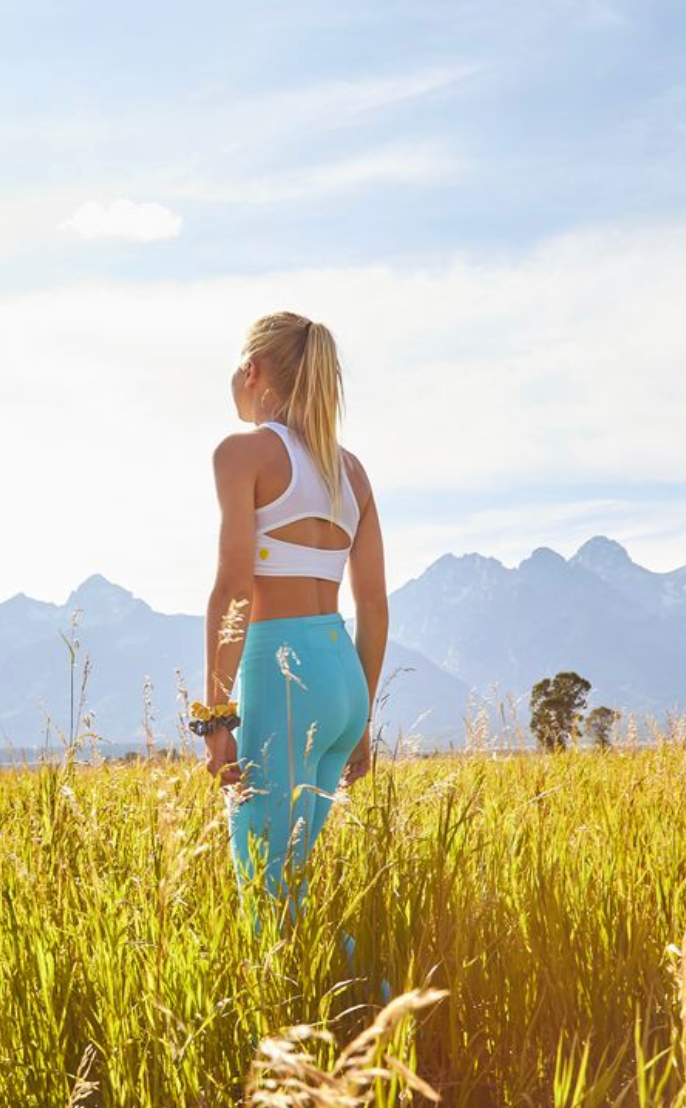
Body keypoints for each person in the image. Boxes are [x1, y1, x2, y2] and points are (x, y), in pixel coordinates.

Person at [195, 310, 388, 928]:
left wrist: (215, 717)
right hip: (341, 681)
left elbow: (233, 589)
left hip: (282, 676)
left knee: (265, 896)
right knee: (293, 885)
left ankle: (310, 1014)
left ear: (251, 371)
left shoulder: (242, 452)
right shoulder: (351, 470)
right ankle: (358, 1010)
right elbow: (375, 605)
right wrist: (359, 721)